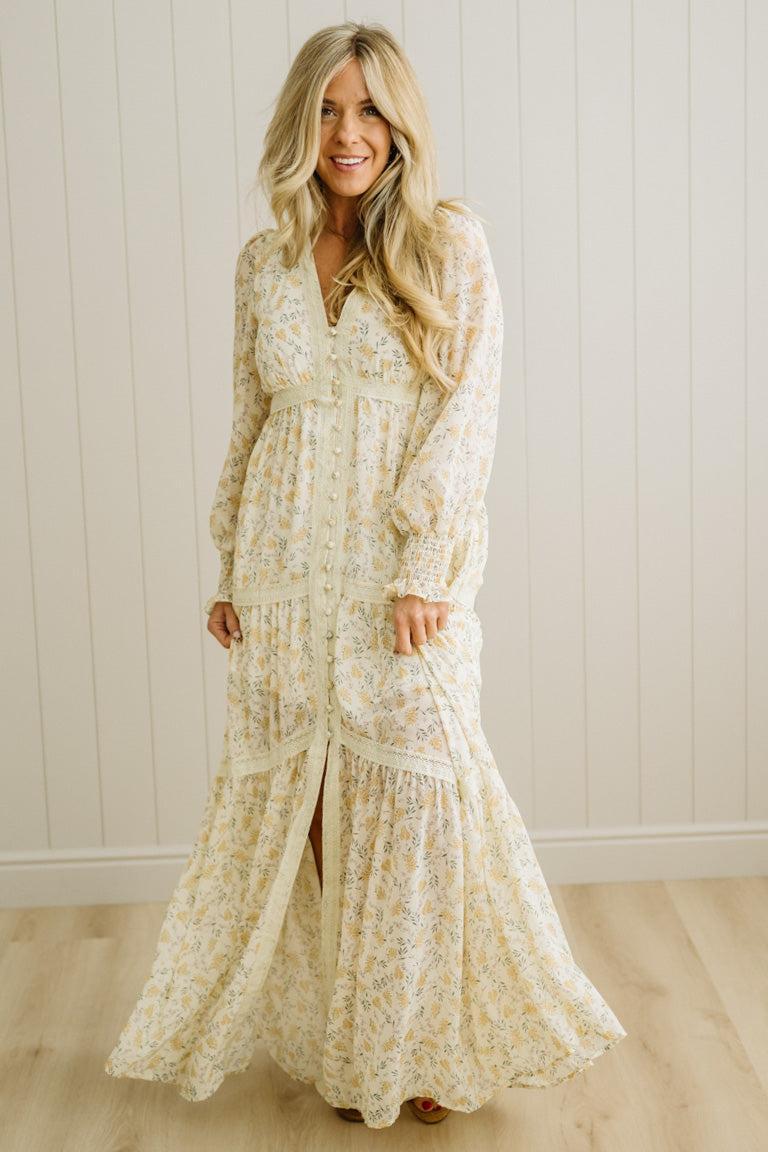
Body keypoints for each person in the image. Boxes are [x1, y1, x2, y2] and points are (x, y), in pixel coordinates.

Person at [104, 21, 627, 1130]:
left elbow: (465, 416)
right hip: (286, 581)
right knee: (308, 814)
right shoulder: (266, 264)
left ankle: (422, 1042)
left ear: (400, 124)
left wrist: (426, 567)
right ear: (303, 124)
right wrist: (230, 565)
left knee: (415, 807)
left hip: (400, 588)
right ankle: (365, 1042)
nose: (349, 132)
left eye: (369, 110)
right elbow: (250, 426)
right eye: (330, 111)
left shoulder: (449, 246)